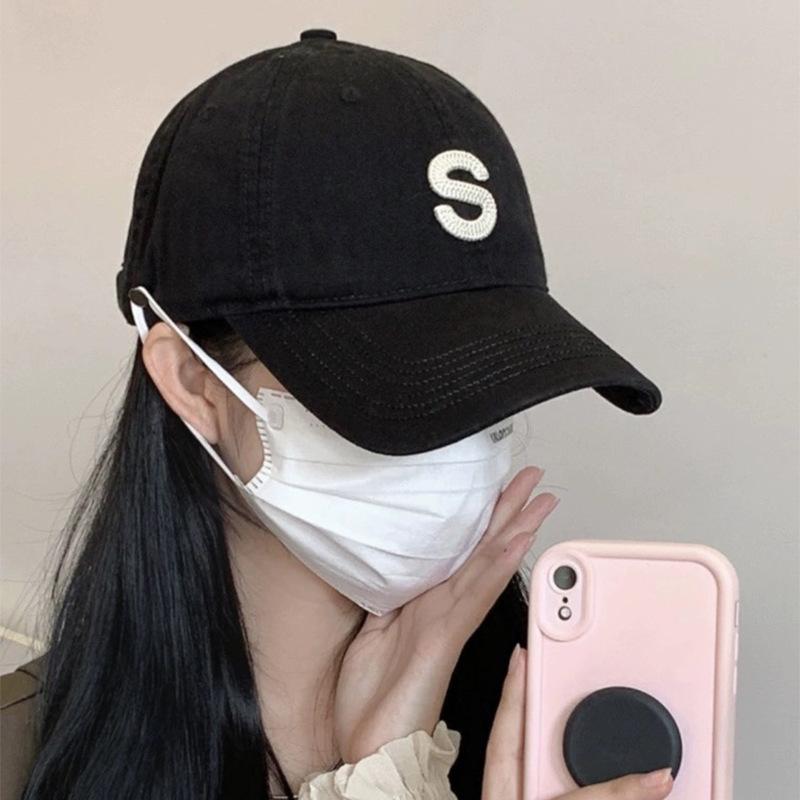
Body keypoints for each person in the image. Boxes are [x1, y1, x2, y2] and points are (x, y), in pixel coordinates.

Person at [1, 28, 671, 800]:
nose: (454, 440)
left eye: (487, 380)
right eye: (395, 382)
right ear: (193, 382)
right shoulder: (20, 758)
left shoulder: (575, 738)